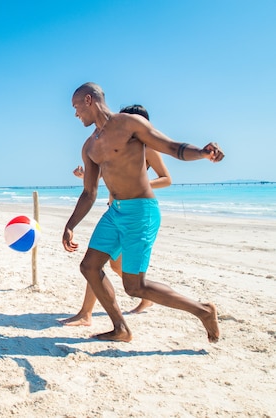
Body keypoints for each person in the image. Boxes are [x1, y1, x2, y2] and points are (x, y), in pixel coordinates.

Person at [63, 82, 223, 342]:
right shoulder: (89, 147)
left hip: (141, 211)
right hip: (114, 212)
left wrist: (203, 153)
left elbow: (173, 148)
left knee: (135, 286)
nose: (75, 113)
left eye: (76, 106)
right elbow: (89, 192)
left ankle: (203, 310)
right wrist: (71, 225)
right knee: (89, 266)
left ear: (89, 100)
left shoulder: (129, 124)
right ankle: (121, 329)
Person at [61, 105, 171, 327]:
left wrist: (139, 185)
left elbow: (166, 178)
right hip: (115, 211)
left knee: (100, 266)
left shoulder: (147, 146)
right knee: (110, 266)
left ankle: (86, 313)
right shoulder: (115, 145)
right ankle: (145, 297)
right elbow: (107, 175)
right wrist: (86, 174)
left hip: (135, 213)